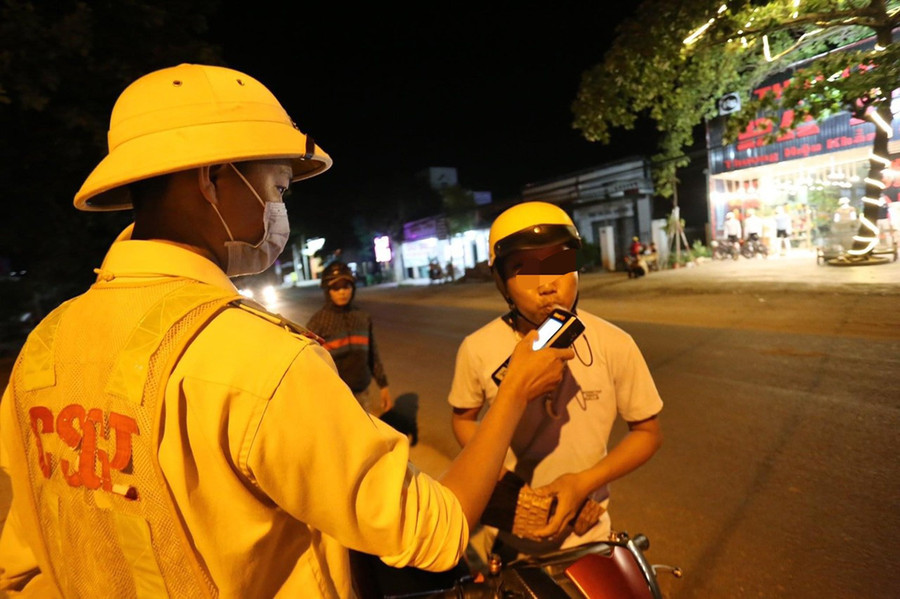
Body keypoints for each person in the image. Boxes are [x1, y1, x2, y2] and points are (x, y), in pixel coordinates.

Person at [0, 64, 575, 598]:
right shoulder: (260, 361)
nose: (279, 210)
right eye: (276, 188)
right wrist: (514, 391)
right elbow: (436, 531)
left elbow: (22, 565)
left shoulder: (44, 349)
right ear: (212, 179)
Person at [447, 201, 663, 562]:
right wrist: (505, 481)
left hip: (589, 536)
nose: (546, 284)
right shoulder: (478, 348)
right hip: (509, 541)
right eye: (523, 269)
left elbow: (648, 433)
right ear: (501, 281)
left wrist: (585, 482)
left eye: (559, 264)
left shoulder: (615, 343)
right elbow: (463, 419)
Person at [307, 261, 393, 417]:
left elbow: (373, 355)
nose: (342, 292)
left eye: (346, 286)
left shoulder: (362, 318)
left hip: (362, 394)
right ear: (327, 291)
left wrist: (383, 385)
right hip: (333, 397)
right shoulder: (317, 323)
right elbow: (310, 365)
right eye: (336, 288)